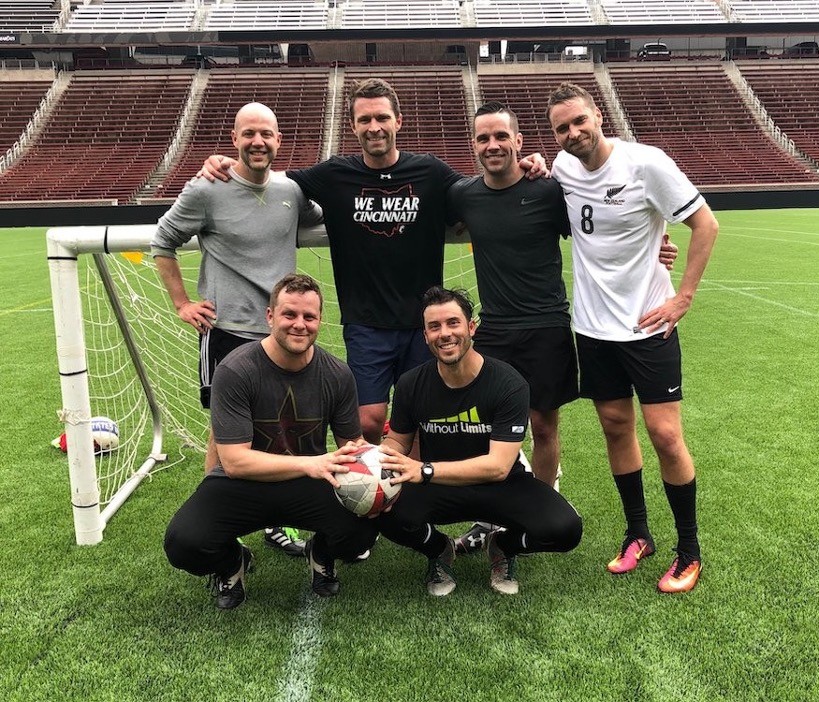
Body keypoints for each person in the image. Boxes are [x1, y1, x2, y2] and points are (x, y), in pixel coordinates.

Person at [198, 79, 546, 445]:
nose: (374, 127)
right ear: (353, 126)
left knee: (424, 418)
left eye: (382, 117)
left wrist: (526, 165)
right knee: (368, 421)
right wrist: (228, 163)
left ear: (398, 121)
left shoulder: (430, 171)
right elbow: (268, 178)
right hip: (366, 322)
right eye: (364, 120)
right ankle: (377, 486)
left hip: (421, 321)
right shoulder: (334, 174)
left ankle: (414, 488)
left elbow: (481, 191)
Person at [445, 100, 678, 555]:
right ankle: (485, 515)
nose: (492, 145)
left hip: (548, 327)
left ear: (519, 141)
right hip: (491, 330)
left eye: (500, 136)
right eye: (482, 138)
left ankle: (540, 507)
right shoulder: (463, 195)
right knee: (482, 427)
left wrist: (657, 248)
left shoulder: (552, 192)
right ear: (473, 146)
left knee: (543, 425)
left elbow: (608, 231)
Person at [546, 83, 719, 594]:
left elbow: (705, 225)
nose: (573, 133)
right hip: (593, 328)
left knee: (666, 435)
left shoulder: (646, 163)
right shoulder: (561, 169)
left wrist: (682, 297)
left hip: (649, 326)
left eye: (579, 121)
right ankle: (638, 535)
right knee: (616, 428)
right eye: (562, 128)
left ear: (597, 115)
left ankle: (689, 551)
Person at [152, 102, 321, 557]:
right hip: (227, 330)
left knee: (281, 426)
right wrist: (182, 302)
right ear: (233, 139)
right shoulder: (206, 187)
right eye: (249, 133)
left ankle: (273, 523)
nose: (257, 141)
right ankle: (219, 529)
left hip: (283, 333)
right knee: (223, 433)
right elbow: (161, 241)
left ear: (279, 140)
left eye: (266, 133)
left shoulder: (292, 191)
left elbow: (323, 216)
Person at [164, 274, 379, 609]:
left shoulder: (337, 374)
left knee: (363, 528)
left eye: (309, 317)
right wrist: (310, 463)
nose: (300, 325)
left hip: (306, 483)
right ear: (269, 317)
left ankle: (319, 553)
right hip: (243, 482)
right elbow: (234, 462)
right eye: (289, 314)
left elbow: (353, 445)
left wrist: (382, 470)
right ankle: (231, 561)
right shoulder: (236, 370)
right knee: (184, 543)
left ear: (320, 320)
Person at [376, 286, 582, 596]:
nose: (445, 333)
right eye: (435, 326)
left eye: (453, 323)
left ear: (471, 327)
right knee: (381, 509)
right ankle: (439, 550)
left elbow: (498, 467)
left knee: (565, 529)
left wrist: (425, 470)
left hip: (502, 486)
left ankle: (503, 545)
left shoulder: (508, 383)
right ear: (425, 335)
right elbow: (397, 442)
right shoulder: (410, 384)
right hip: (440, 489)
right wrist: (376, 459)